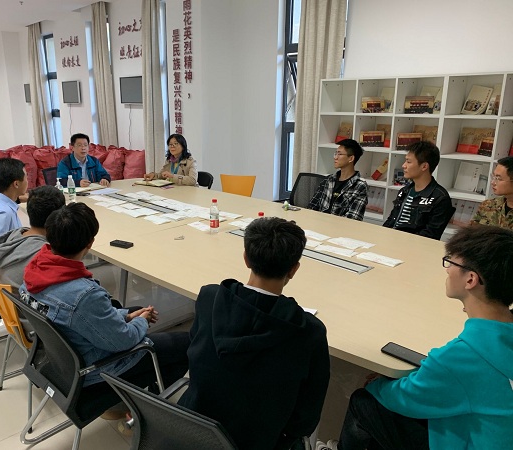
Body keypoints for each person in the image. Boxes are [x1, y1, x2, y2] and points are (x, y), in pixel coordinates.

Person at [317, 225, 513, 450]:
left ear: (470, 280)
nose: (448, 269)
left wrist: (378, 383)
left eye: (451, 263)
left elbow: (404, 397)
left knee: (364, 401)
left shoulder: (461, 355)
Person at [178, 217, 330, 450]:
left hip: (193, 429)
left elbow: (195, 350)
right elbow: (305, 418)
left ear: (246, 258)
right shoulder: (310, 332)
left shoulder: (210, 298)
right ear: (294, 269)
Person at [19, 202, 189, 395]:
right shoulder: (84, 295)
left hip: (61, 362)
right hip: (93, 371)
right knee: (187, 344)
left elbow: (82, 317)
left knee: (134, 310)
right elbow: (123, 341)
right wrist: (141, 321)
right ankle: (146, 403)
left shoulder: (33, 271)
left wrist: (127, 316)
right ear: (90, 244)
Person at [0, 185, 65, 290]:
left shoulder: (14, 236)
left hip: (6, 298)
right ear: (58, 218)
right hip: (25, 299)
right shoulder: (45, 255)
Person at [383, 141, 453, 240]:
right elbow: (391, 220)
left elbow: (430, 235)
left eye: (408, 162)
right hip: (391, 240)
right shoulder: (405, 191)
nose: (403, 165)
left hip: (413, 245)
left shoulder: (440, 198)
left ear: (424, 166)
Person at [308, 139, 368, 220]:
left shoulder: (360, 186)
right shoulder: (328, 180)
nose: (335, 157)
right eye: (335, 154)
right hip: (318, 223)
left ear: (351, 158)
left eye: (339, 154)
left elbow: (353, 218)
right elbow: (312, 207)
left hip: (339, 226)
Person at [470, 156, 513, 229]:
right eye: (493, 177)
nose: (492, 182)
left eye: (498, 178)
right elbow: (471, 232)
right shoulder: (488, 205)